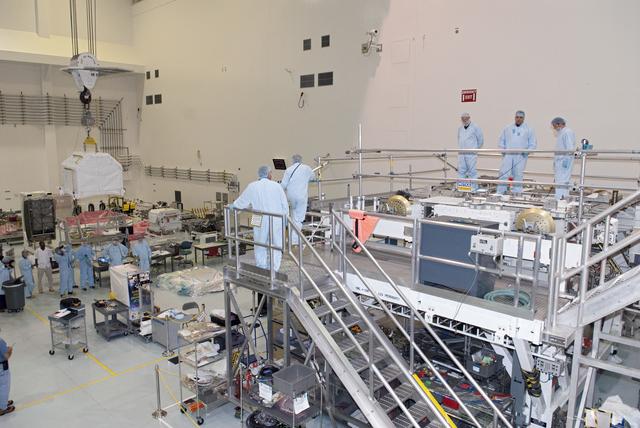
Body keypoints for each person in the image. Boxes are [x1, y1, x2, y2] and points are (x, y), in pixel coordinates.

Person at [232, 166, 289, 272]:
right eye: (271, 173)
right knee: (276, 244)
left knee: (259, 243)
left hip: (258, 217)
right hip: (276, 218)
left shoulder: (252, 186)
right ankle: (274, 269)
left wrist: (234, 205)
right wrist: (285, 219)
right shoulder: (277, 186)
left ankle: (261, 266)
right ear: (269, 174)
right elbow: (284, 205)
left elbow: (242, 201)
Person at [497, 110, 537, 194]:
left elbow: (532, 143)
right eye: (517, 117)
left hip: (520, 156)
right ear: (515, 117)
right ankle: (500, 192)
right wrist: (503, 150)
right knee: (504, 173)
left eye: (521, 117)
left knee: (518, 174)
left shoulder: (528, 129)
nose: (518, 119)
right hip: (508, 154)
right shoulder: (508, 128)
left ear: (523, 118)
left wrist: (526, 152)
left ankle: (517, 193)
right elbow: (501, 140)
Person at [281, 154, 315, 245]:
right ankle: (295, 240)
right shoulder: (307, 168)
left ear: (293, 160)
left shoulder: (289, 170)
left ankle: (292, 237)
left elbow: (283, 185)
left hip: (290, 196)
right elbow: (313, 177)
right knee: (299, 219)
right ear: (301, 160)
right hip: (301, 196)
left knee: (293, 216)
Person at [457, 113, 484, 191]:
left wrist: (475, 149)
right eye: (463, 119)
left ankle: (473, 188)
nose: (464, 120)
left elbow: (480, 140)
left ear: (469, 118)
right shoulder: (460, 128)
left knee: (472, 171)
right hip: (462, 153)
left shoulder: (475, 127)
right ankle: (462, 188)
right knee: (461, 171)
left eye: (466, 118)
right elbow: (459, 139)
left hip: (471, 153)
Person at [551, 117, 576, 200]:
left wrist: (566, 160)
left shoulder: (567, 132)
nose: (554, 128)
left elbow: (570, 148)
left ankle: (560, 200)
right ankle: (561, 199)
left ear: (559, 124)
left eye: (554, 126)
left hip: (564, 162)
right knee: (560, 182)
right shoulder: (561, 133)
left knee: (562, 182)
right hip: (560, 162)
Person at [0, 330, 14, 416]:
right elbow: (6, 356)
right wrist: (10, 350)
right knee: (4, 386)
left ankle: (2, 402)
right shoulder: (0, 342)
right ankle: (2, 408)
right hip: (1, 368)